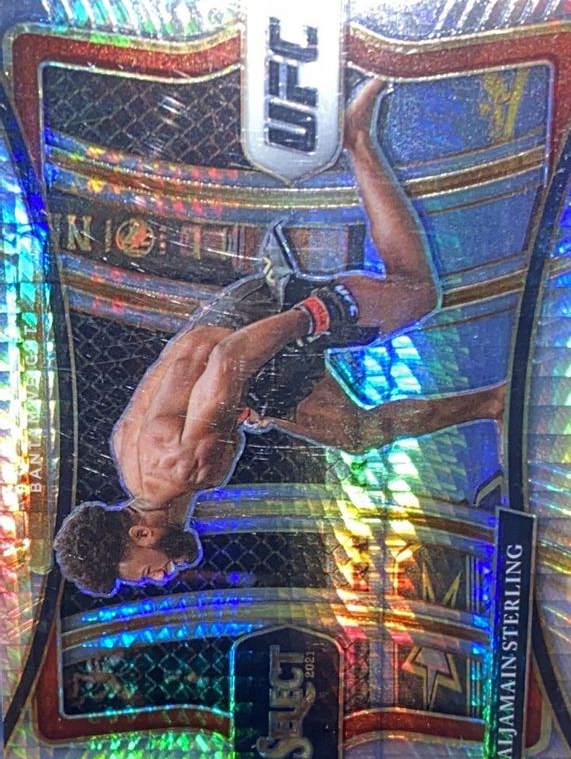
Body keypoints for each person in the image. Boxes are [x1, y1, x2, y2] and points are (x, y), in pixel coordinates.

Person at [54, 79, 504, 597]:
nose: (161, 577)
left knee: (417, 293)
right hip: (248, 357)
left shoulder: (178, 469)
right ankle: (494, 402)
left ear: (139, 534)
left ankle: (357, 138)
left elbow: (226, 360)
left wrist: (312, 315)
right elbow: (193, 374)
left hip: (252, 331)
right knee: (358, 434)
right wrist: (242, 408)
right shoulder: (132, 464)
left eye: (144, 571)